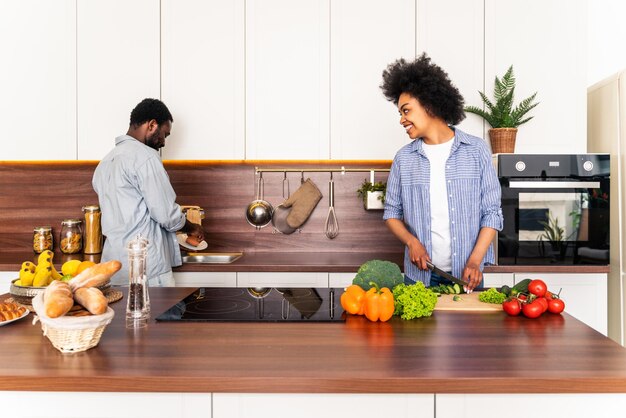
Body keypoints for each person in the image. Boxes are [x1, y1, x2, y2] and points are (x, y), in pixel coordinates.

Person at [380, 54, 503, 292]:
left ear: (429, 104)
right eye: (400, 113)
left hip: (468, 276)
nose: (402, 120)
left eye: (406, 111)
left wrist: (475, 262)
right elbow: (391, 213)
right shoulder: (404, 159)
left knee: (471, 331)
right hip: (420, 277)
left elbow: (492, 214)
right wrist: (412, 242)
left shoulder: (476, 150)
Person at [92, 98, 205, 286]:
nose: (163, 143)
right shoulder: (145, 157)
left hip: (114, 268)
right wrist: (192, 227)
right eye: (164, 135)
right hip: (148, 269)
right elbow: (166, 215)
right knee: (160, 315)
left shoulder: (105, 163)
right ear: (152, 125)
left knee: (124, 316)